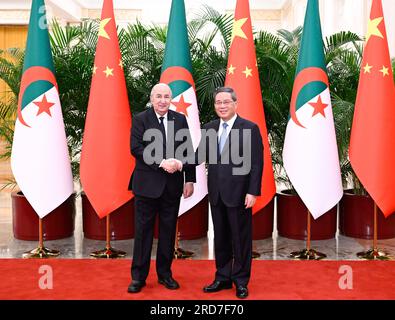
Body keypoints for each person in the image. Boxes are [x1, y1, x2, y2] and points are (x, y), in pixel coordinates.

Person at [127, 83, 195, 293]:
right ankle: (138, 277)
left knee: (167, 232)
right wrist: (161, 162)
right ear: (152, 98)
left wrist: (189, 179)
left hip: (172, 187)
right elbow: (136, 148)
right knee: (143, 232)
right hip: (146, 186)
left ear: (171, 99)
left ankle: (165, 275)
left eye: (166, 96)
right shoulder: (141, 119)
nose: (163, 100)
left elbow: (187, 150)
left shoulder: (180, 119)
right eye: (159, 96)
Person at [198, 86, 263, 299]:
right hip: (216, 194)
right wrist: (175, 160)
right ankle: (223, 277)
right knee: (221, 238)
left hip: (240, 194)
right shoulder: (209, 128)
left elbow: (256, 163)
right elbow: (197, 156)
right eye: (218, 102)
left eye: (226, 102)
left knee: (240, 239)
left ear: (236, 104)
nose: (222, 106)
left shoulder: (249, 128)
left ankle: (241, 280)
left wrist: (253, 191)